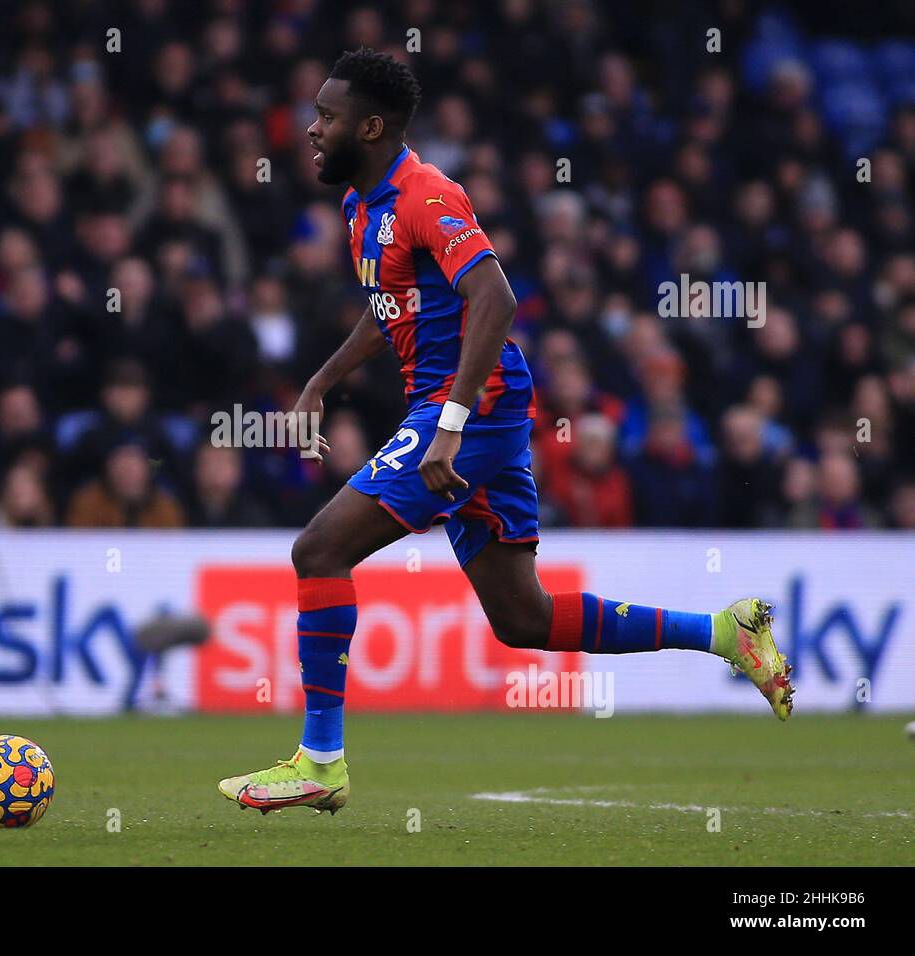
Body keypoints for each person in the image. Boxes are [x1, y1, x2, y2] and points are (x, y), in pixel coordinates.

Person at [217, 49, 794, 816]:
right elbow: (390, 305)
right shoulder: (363, 208)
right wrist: (324, 379)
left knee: (318, 551)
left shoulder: (427, 194)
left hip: (471, 410)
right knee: (523, 617)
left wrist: (449, 427)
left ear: (373, 125)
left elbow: (495, 297)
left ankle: (321, 761)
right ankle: (726, 632)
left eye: (326, 117)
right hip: (465, 411)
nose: (312, 129)